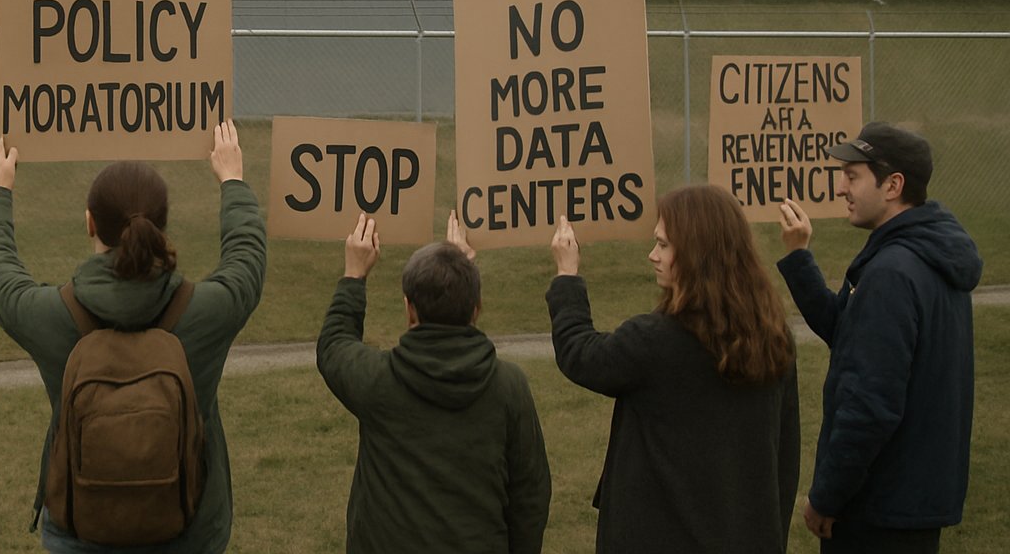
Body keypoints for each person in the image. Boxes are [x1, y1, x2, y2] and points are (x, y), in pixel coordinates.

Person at [0, 122, 267, 554]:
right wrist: (233, 181)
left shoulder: (53, 317)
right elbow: (247, 257)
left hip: (81, 533)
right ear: (162, 227)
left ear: (89, 222)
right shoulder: (208, 312)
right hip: (190, 532)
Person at [546, 184, 799, 554]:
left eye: (663, 245)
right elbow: (785, 456)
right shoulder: (775, 336)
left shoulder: (657, 341)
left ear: (698, 253)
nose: (652, 255)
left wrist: (567, 275)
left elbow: (581, 355)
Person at [777, 122, 980, 553]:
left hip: (879, 511)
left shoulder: (892, 273)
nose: (841, 188)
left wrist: (827, 497)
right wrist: (799, 256)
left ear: (893, 185)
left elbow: (870, 405)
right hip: (912, 503)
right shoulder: (927, 254)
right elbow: (850, 335)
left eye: (852, 176)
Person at [317, 211, 551, 554]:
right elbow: (531, 494)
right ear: (477, 308)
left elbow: (334, 345)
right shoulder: (508, 386)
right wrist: (461, 273)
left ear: (410, 310)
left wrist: (354, 274)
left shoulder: (379, 382)